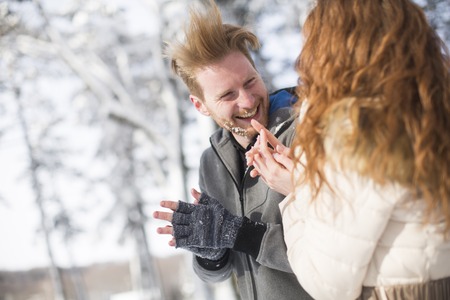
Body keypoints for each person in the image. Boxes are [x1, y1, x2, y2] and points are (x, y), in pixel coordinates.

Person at [247, 0, 450, 299]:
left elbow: (327, 282)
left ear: (334, 52)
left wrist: (297, 193)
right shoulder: (432, 111)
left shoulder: (357, 127)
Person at [152, 1, 312, 299]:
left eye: (250, 81)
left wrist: (241, 234)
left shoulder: (307, 132)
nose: (248, 101)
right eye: (228, 94)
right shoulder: (212, 163)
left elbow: (337, 250)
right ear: (200, 105)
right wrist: (211, 252)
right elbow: (220, 272)